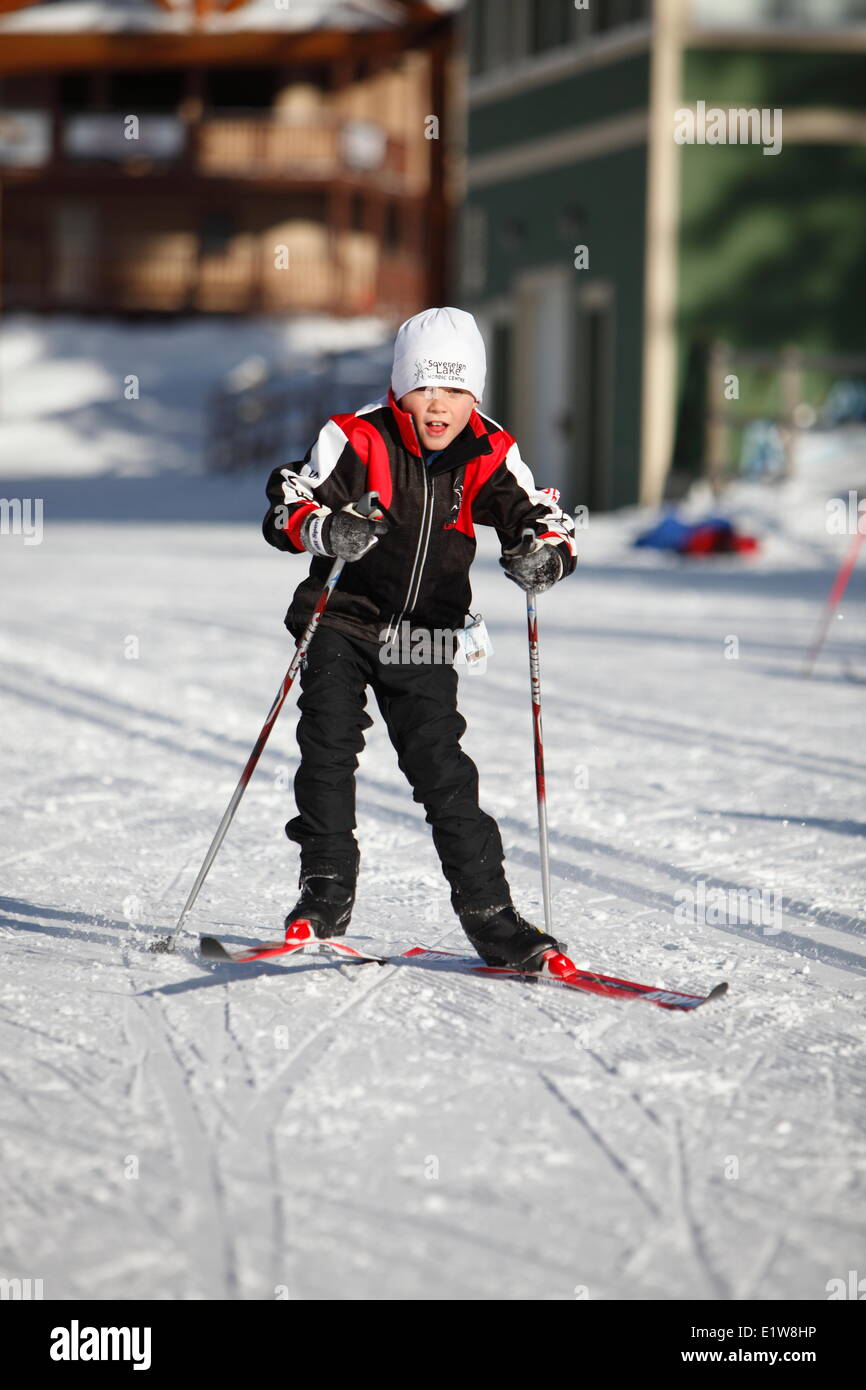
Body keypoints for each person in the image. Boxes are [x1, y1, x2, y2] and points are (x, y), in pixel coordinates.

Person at [262, 307, 576, 970]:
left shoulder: (489, 448)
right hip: (342, 619)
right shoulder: (358, 436)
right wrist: (325, 530)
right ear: (400, 387)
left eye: (458, 390)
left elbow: (541, 514)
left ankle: (492, 918)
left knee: (444, 774)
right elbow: (290, 498)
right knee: (327, 749)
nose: (441, 405)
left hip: (426, 635)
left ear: (476, 396)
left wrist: (542, 552)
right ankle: (324, 889)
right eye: (427, 387)